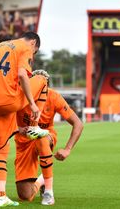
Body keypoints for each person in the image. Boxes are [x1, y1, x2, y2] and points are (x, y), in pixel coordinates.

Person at [0, 32, 49, 207]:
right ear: (33, 43)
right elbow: (22, 75)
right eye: (34, 51)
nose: (32, 54)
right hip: (9, 100)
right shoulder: (25, 47)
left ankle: (1, 196)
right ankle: (35, 126)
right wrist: (32, 104)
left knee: (1, 151)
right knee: (42, 77)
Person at [14, 70, 84, 206]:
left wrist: (67, 149)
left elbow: (78, 123)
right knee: (25, 196)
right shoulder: (20, 96)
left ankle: (49, 192)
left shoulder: (54, 97)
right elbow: (4, 123)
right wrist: (19, 129)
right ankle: (42, 181)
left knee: (41, 135)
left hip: (47, 136)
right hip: (23, 143)